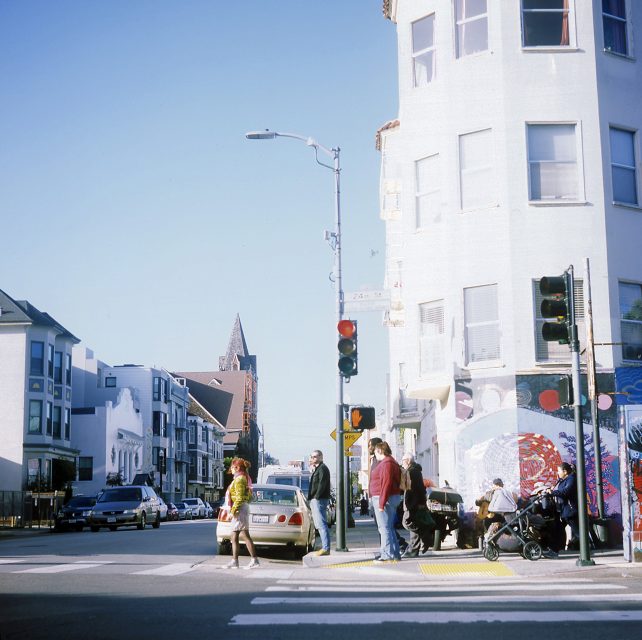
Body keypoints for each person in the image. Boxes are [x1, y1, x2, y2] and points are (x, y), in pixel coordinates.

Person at [222, 457, 260, 569]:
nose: (231, 470)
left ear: (237, 468)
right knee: (235, 536)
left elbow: (239, 498)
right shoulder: (242, 478)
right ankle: (236, 561)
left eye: (232, 467)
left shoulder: (239, 479)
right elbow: (246, 497)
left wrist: (232, 512)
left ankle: (253, 560)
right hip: (241, 508)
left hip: (239, 509)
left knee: (241, 535)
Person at [370, 441, 402, 562]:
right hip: (389, 497)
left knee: (383, 528)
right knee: (388, 527)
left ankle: (387, 555)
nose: (375, 456)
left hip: (383, 498)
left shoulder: (386, 463)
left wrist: (381, 503)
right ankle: (394, 554)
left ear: (379, 451)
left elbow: (386, 484)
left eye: (375, 452)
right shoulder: (391, 462)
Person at [400, 452, 433, 558]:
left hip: (412, 502)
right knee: (413, 523)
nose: (402, 463)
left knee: (407, 522)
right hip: (414, 502)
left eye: (403, 460)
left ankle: (424, 536)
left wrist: (412, 503)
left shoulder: (411, 471)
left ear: (408, 461)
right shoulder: (415, 470)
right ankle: (413, 549)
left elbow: (412, 489)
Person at [547, 462, 579, 550]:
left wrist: (552, 492)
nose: (558, 473)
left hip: (570, 510)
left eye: (559, 471)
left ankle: (585, 549)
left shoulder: (571, 479)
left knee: (577, 532)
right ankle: (556, 548)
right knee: (559, 529)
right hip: (564, 510)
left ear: (565, 471)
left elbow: (565, 492)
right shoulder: (564, 480)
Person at [308, 449, 332, 556]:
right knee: (318, 524)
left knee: (321, 524)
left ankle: (326, 548)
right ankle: (325, 546)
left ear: (321, 457)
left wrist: (317, 496)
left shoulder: (323, 468)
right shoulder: (316, 469)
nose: (312, 458)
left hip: (319, 499)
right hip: (315, 499)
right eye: (311, 456)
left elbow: (322, 483)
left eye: (315, 457)